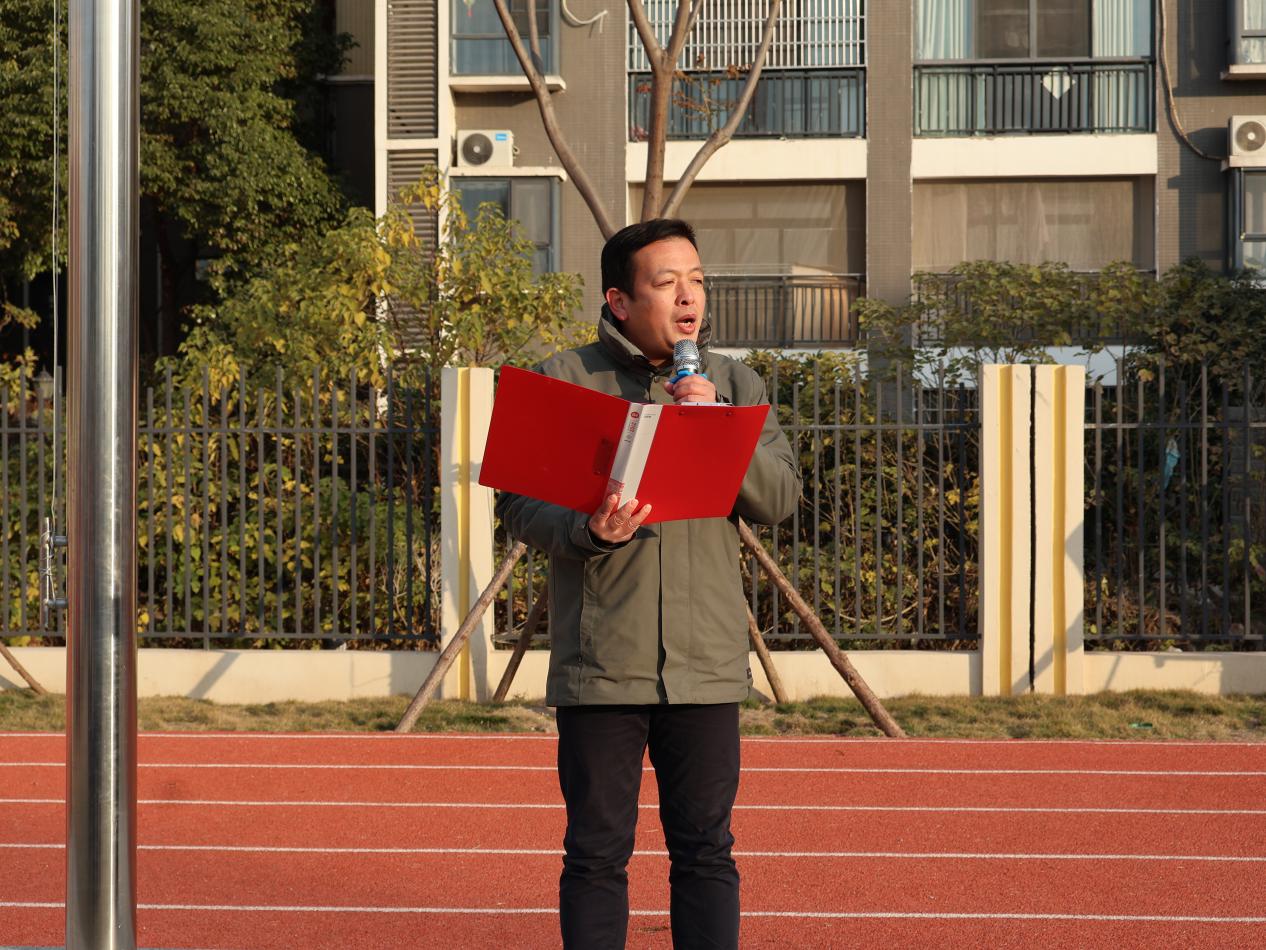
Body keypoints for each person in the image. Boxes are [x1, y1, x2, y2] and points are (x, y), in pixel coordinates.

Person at [494, 218, 800, 949]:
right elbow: (517, 503)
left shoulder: (736, 384)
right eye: (666, 283)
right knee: (596, 854)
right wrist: (588, 530)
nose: (688, 296)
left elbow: (781, 499)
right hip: (603, 663)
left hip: (706, 663)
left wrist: (716, 423)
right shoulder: (563, 379)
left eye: (696, 280)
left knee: (706, 850)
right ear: (620, 301)